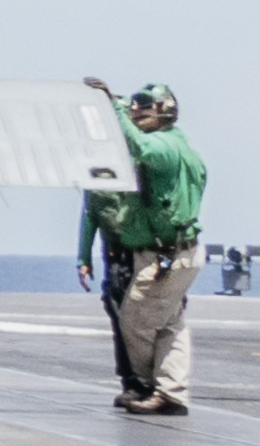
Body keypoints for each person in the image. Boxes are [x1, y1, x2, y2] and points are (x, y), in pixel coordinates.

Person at [89, 85, 210, 418]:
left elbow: (140, 147)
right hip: (182, 251)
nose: (136, 110)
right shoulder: (183, 144)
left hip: (164, 256)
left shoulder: (163, 147)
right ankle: (171, 392)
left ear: (164, 110)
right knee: (170, 324)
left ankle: (147, 384)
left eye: (144, 106)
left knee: (135, 321)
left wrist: (115, 109)